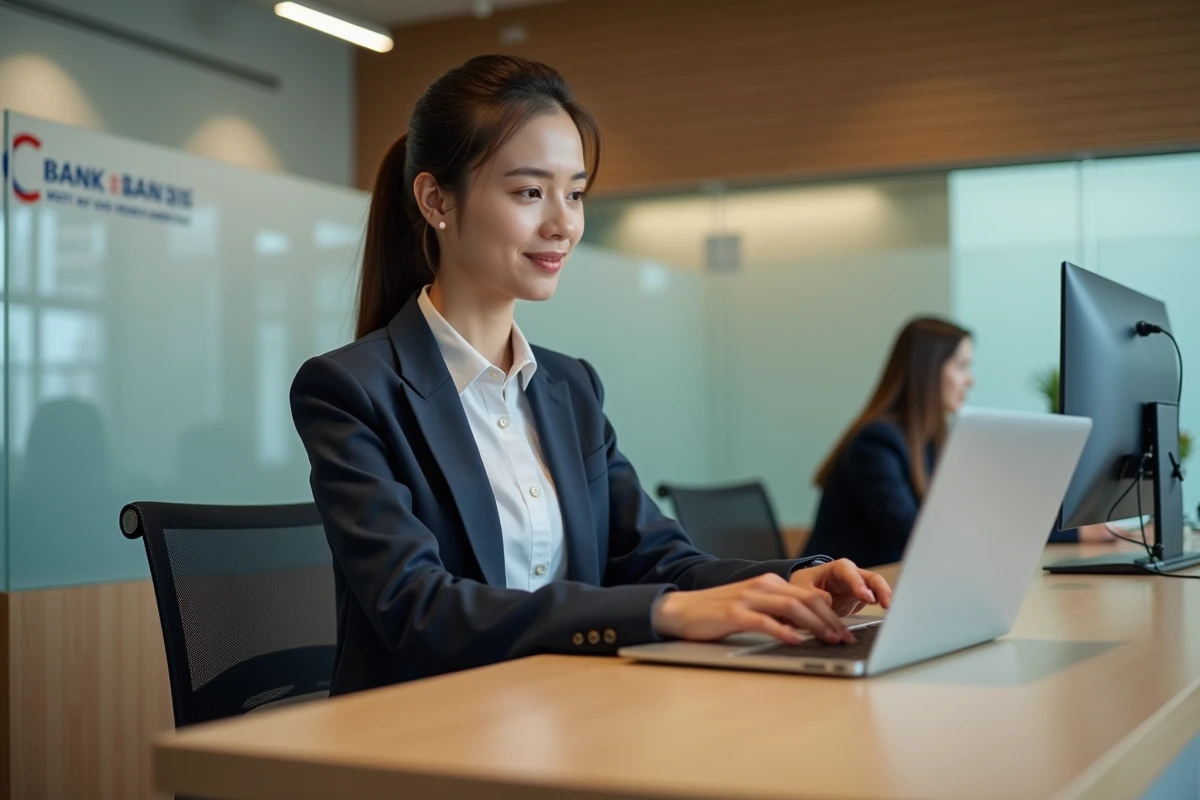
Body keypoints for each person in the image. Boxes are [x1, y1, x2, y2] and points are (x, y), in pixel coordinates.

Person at [290, 55, 892, 696]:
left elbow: (652, 557)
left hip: (566, 707)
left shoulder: (568, 388)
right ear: (437, 199)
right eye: (530, 192)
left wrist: (789, 581)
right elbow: (418, 606)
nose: (564, 224)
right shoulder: (352, 390)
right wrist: (660, 613)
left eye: (574, 193)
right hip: (422, 724)